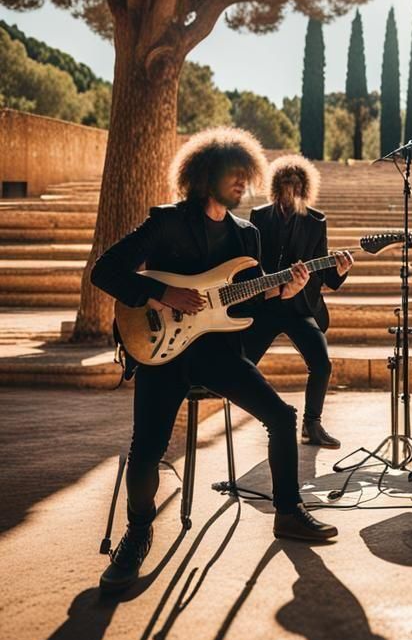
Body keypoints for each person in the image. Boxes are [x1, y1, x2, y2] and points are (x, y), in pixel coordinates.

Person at [91, 128, 337, 593]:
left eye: (248, 174)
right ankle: (137, 533)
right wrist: (164, 292)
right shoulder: (165, 222)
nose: (244, 182)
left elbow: (250, 306)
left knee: (283, 418)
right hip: (161, 353)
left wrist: (285, 289)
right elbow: (105, 270)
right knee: (146, 447)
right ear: (205, 176)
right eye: (234, 174)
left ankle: (287, 512)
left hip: (216, 354)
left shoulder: (247, 234)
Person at [242, 154, 352, 449]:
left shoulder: (317, 222)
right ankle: (270, 416)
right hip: (265, 306)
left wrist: (339, 271)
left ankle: (311, 425)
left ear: (305, 188)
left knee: (321, 364)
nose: (291, 189)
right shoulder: (259, 216)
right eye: (285, 183)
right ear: (276, 186)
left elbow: (326, 276)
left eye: (296, 184)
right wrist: (273, 287)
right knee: (240, 363)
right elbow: (251, 264)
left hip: (300, 307)